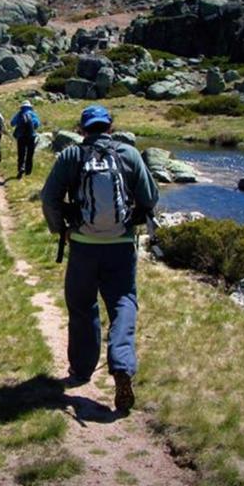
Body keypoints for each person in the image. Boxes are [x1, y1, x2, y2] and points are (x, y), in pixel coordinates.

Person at [39, 105, 159, 413]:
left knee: (81, 306)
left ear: (81, 129)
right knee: (123, 302)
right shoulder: (129, 154)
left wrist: (61, 230)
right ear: (110, 126)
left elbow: (48, 196)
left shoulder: (71, 156)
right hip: (120, 245)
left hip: (82, 245)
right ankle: (121, 364)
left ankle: (81, 370)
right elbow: (150, 197)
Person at [10, 100, 40, 179]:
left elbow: (12, 123)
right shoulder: (33, 114)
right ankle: (28, 172)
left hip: (21, 137)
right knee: (30, 155)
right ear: (30, 107)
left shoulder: (19, 114)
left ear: (22, 107)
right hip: (31, 137)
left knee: (21, 154)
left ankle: (21, 168)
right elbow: (37, 124)